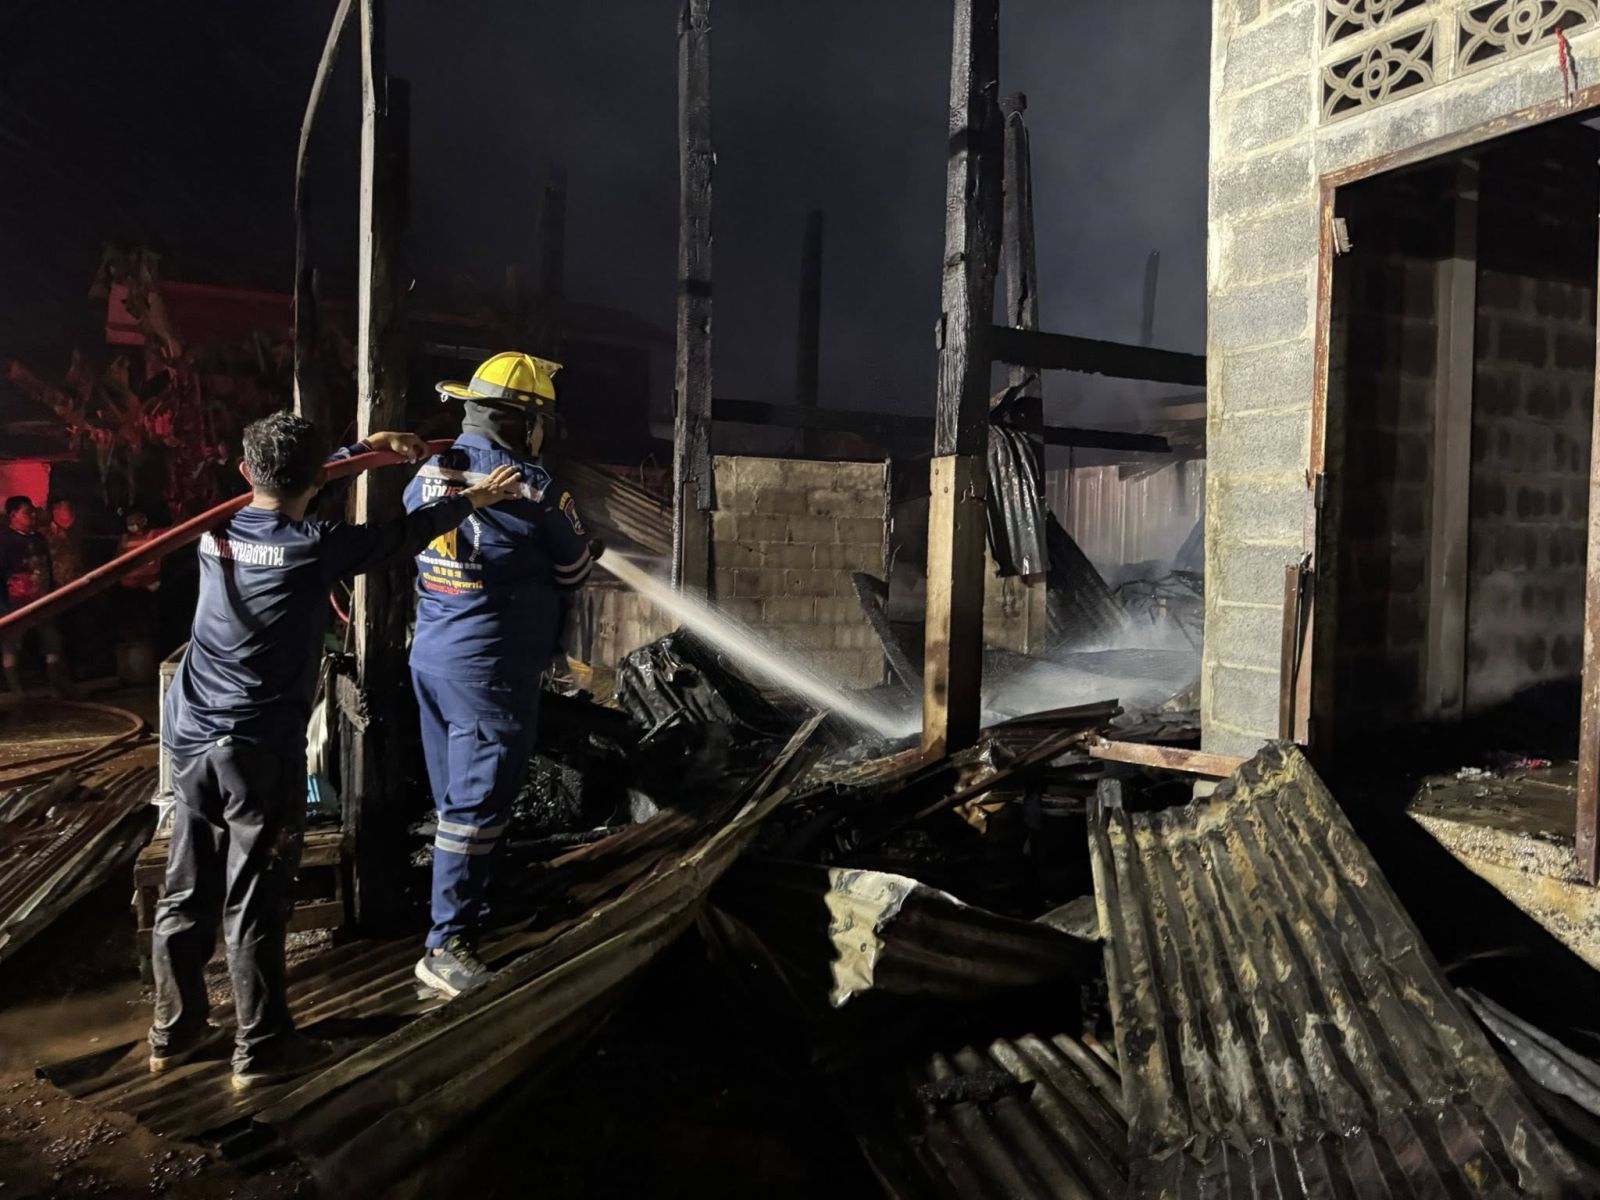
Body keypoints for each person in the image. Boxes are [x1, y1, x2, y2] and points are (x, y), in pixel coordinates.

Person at [150, 412, 523, 1090]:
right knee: (255, 897)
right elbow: (404, 534)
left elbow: (302, 483)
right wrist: (475, 498)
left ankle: (173, 1034)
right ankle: (261, 1049)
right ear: (317, 478)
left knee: (187, 883)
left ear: (245, 472)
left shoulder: (214, 533)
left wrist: (365, 451)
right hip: (256, 747)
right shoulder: (316, 546)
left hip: (192, 734)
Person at [406, 351, 597, 998]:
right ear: (524, 422)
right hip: (491, 669)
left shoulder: (430, 472)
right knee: (476, 805)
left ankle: (470, 904)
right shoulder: (537, 487)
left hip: (434, 659)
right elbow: (574, 569)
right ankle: (445, 944)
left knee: (455, 801)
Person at [0, 496, 66, 698]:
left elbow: (47, 567)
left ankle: (57, 685)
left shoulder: (38, 538)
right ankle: (17, 691)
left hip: (42, 598)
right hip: (15, 601)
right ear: (13, 515)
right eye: (27, 512)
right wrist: (3, 605)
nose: (33, 516)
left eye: (33, 512)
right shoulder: (4, 541)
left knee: (51, 640)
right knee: (11, 644)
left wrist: (51, 591)